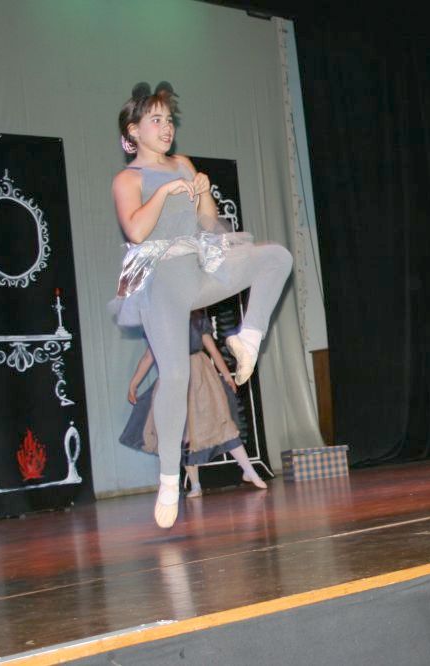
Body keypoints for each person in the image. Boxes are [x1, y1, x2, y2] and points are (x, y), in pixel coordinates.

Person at [111, 82, 292, 527]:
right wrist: (165, 193)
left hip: (199, 267)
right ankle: (169, 480)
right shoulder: (128, 180)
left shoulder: (183, 164)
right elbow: (136, 231)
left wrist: (203, 191)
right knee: (175, 376)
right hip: (162, 285)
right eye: (156, 120)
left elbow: (208, 223)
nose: (166, 127)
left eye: (169, 120)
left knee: (276, 257)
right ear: (133, 131)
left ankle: (248, 338)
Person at [121, 311, 268, 498]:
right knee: (184, 433)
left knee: (223, 423)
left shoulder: (196, 319)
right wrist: (133, 384)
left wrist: (226, 375)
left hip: (200, 377)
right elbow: (149, 357)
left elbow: (212, 349)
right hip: (175, 378)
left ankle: (249, 471)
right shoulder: (158, 320)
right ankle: (195, 484)